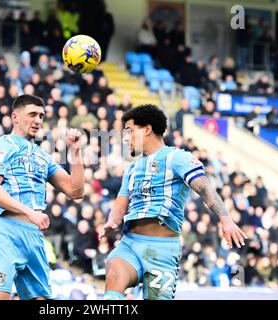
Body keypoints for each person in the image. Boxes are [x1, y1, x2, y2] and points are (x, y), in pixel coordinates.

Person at [99, 104, 247, 300]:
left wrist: (225, 219)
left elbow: (205, 189)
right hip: (130, 244)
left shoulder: (177, 158)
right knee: (113, 276)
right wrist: (112, 220)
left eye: (129, 131)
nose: (125, 138)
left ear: (147, 129)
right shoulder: (132, 169)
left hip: (162, 250)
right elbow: (120, 203)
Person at [0, 94, 84, 300]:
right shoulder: (1, 145)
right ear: (15, 117)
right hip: (6, 232)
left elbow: (76, 191)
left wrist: (75, 152)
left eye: (41, 116)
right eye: (32, 114)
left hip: (34, 236)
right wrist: (30, 212)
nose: (38, 120)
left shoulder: (42, 156)